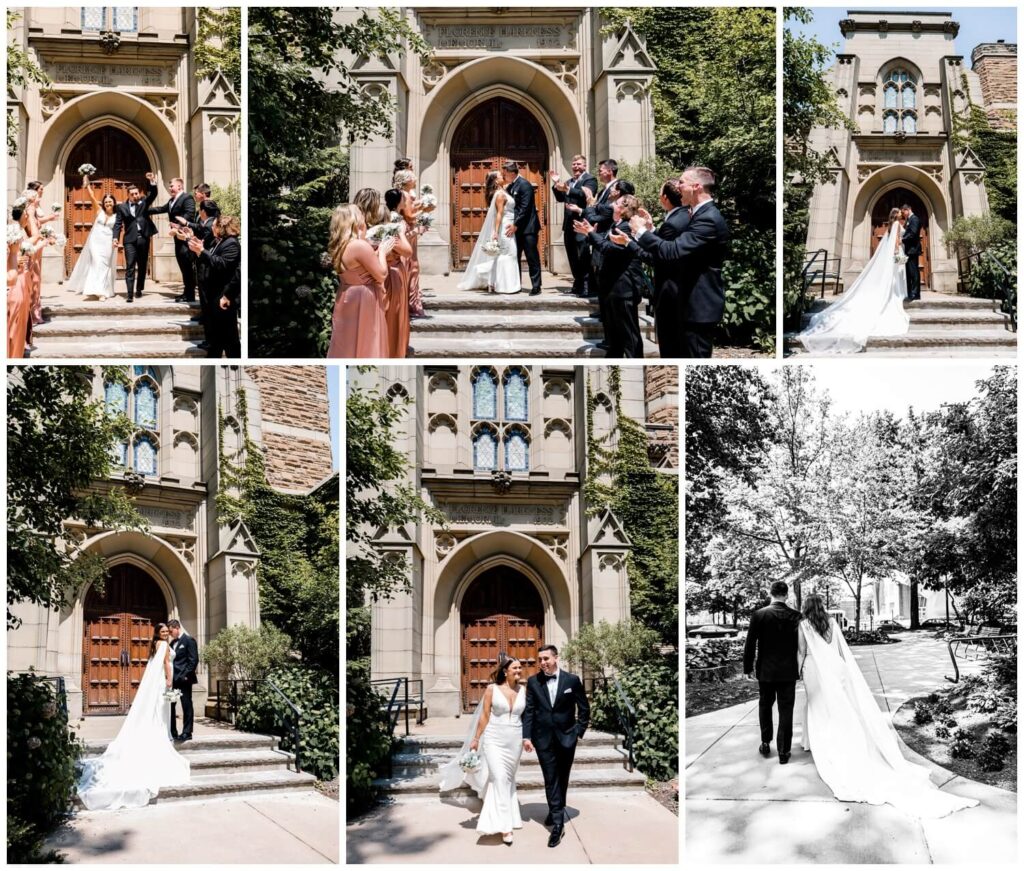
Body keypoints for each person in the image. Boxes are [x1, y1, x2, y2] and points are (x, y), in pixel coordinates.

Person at [798, 593, 979, 817]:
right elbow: (838, 649)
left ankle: (819, 742)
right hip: (837, 669)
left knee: (818, 707)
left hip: (814, 669)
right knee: (840, 706)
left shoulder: (804, 625)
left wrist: (799, 671)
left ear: (806, 606)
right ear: (821, 605)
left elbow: (802, 652)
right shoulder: (832, 622)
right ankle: (832, 736)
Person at [616, 166, 729, 358]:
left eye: (682, 182)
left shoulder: (708, 218)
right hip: (686, 304)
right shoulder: (696, 214)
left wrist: (640, 232)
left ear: (696, 186)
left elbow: (673, 251)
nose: (679, 186)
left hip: (698, 308)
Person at [77, 623, 190, 809]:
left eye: (166, 631)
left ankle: (160, 732)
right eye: (162, 632)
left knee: (158, 712)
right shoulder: (163, 645)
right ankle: (160, 736)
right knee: (159, 713)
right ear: (158, 634)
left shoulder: (156, 645)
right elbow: (166, 664)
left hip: (157, 683)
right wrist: (169, 681)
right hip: (163, 682)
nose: (165, 633)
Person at [439, 654, 526, 844]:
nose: (519, 671)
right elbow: (485, 716)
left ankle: (510, 816)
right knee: (499, 778)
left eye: (520, 668)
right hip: (494, 739)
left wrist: (528, 739)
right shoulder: (491, 689)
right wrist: (476, 739)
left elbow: (527, 718)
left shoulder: (524, 690)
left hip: (515, 741)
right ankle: (504, 827)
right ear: (505, 671)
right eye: (515, 668)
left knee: (508, 780)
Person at [797, 207, 909, 354]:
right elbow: (895, 241)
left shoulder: (891, 225)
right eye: (899, 212)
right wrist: (898, 253)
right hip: (896, 252)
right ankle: (896, 293)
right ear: (896, 215)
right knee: (896, 276)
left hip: (894, 253)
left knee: (894, 277)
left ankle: (896, 292)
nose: (901, 212)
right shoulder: (895, 225)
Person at [522, 644, 589, 848]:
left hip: (567, 737)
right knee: (550, 778)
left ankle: (554, 810)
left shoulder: (572, 680)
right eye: (540, 659)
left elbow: (584, 708)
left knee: (563, 777)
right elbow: (530, 711)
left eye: (546, 659)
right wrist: (526, 737)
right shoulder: (533, 682)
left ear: (556, 658)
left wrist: (578, 731)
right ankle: (558, 825)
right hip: (543, 739)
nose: (542, 663)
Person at [576, 194, 646, 357]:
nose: (613, 204)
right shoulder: (618, 223)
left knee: (629, 334)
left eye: (617, 202)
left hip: (624, 286)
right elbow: (605, 242)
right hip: (612, 285)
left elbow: (610, 249)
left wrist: (590, 234)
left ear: (624, 208)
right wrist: (590, 233)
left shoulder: (627, 228)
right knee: (615, 335)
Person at [743, 580, 802, 764]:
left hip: (766, 671)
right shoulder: (796, 616)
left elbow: (750, 643)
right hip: (788, 671)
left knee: (765, 705)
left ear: (771, 593)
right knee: (786, 710)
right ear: (787, 595)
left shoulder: (759, 615)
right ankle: (784, 751)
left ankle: (765, 742)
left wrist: (747, 668)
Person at [326, 204, 395, 358]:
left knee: (348, 341)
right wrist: (383, 252)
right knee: (368, 339)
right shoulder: (359, 245)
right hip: (364, 298)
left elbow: (361, 266)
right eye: (358, 212)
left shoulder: (340, 245)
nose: (363, 214)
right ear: (352, 219)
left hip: (346, 295)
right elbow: (381, 274)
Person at [356, 187, 412, 358]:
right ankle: (394, 352)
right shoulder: (387, 233)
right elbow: (407, 251)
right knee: (394, 319)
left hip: (374, 277)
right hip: (392, 277)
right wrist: (401, 233)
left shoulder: (364, 233)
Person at [636, 180, 690, 357]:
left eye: (660, 193)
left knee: (670, 346)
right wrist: (652, 229)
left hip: (670, 291)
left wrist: (633, 242)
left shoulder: (672, 224)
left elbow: (657, 258)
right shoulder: (686, 216)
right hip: (683, 289)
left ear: (665, 198)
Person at [187, 214, 240, 358]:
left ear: (222, 228)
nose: (211, 226)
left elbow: (222, 264)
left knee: (230, 339)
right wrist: (201, 248)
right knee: (218, 338)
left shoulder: (232, 244)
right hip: (214, 294)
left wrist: (228, 295)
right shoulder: (220, 241)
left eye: (214, 225)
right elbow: (212, 259)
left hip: (223, 296)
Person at [458, 170, 519, 294]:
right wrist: (496, 232)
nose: (504, 176)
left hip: (508, 224)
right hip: (505, 227)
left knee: (505, 255)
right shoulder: (500, 195)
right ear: (496, 181)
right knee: (509, 255)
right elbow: (499, 214)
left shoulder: (502, 191)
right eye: (501, 176)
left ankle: (494, 282)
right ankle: (503, 285)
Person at [64, 174, 117, 300]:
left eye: (110, 201)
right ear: (103, 203)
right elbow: (92, 197)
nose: (108, 203)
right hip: (95, 241)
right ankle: (98, 291)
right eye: (106, 201)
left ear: (114, 203)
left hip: (108, 242)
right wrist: (87, 185)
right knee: (96, 263)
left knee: (105, 266)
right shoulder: (99, 210)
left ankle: (104, 289)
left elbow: (118, 229)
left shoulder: (118, 215)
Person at [551, 155, 598, 296]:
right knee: (572, 256)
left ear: (584, 166)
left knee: (583, 256)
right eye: (574, 164)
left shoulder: (590, 180)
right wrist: (556, 184)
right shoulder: (569, 181)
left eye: (578, 164)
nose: (575, 166)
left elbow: (585, 196)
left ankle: (587, 287)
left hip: (582, 223)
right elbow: (561, 198)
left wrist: (567, 189)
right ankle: (577, 285)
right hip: (569, 225)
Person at [147, 177, 197, 302]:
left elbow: (189, 215)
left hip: (185, 238)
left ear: (179, 186)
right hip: (177, 239)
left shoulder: (187, 198)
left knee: (187, 267)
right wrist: (143, 210)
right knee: (183, 267)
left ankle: (190, 295)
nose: (170, 188)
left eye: (172, 186)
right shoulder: (171, 201)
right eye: (169, 186)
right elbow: (160, 209)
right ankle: (186, 293)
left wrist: (178, 227)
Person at [111, 174, 159, 302]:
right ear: (128, 195)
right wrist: (115, 237)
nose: (135, 195)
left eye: (137, 193)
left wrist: (152, 182)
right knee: (130, 266)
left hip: (143, 238)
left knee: (142, 265)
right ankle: (130, 294)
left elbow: (153, 194)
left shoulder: (143, 202)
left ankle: (139, 289)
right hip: (129, 241)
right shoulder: (122, 207)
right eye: (132, 194)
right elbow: (117, 223)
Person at [502, 161, 542, 295]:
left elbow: (524, 209)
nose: (503, 175)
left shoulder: (525, 185)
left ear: (512, 173)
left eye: (505, 173)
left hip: (528, 229)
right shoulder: (511, 186)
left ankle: (536, 286)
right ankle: (516, 284)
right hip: (516, 229)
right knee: (515, 257)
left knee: (532, 257)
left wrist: (515, 225)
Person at [393, 169, 428, 317]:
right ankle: (412, 303)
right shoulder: (405, 194)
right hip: (408, 230)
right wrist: (425, 210)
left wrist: (420, 205)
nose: (415, 179)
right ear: (406, 181)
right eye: (412, 177)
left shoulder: (404, 194)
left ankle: (411, 300)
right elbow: (409, 216)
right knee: (412, 266)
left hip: (409, 230)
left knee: (411, 265)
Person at [167, 619, 199, 742]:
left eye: (171, 631)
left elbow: (193, 660)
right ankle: (172, 731)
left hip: (184, 680)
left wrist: (184, 675)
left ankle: (187, 732)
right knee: (170, 705)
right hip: (173, 681)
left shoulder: (189, 640)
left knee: (186, 705)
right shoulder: (172, 643)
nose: (170, 634)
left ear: (177, 628)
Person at [901, 204, 922, 301]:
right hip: (908, 250)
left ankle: (915, 294)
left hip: (913, 250)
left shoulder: (914, 219)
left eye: (903, 212)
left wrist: (902, 239)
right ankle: (911, 292)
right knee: (909, 272)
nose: (903, 214)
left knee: (913, 272)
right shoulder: (909, 220)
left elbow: (913, 233)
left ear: (908, 209)